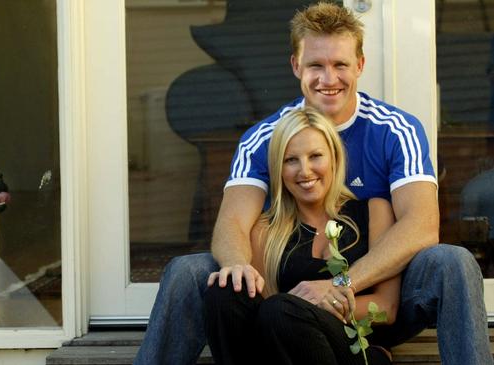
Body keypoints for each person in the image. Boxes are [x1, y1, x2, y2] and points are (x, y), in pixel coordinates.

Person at [134, 3, 490, 365]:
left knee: (452, 262)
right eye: (316, 65)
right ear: (296, 67)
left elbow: (421, 226)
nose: (328, 78)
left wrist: (341, 286)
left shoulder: (396, 130)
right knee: (189, 272)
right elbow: (233, 224)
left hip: (375, 308)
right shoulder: (264, 138)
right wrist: (239, 267)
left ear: (360, 66)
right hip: (286, 312)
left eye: (340, 65)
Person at [205, 107, 398, 364]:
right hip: (287, 346)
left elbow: (387, 307)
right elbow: (265, 314)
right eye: (291, 160)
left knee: (283, 310)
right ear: (279, 169)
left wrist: (319, 306)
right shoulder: (266, 230)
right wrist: (295, 309)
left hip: (353, 348)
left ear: (335, 158)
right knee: (226, 291)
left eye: (315, 156)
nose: (304, 171)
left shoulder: (374, 211)